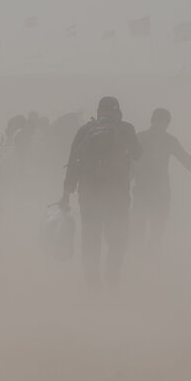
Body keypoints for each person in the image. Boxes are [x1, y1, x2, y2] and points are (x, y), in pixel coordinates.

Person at [59, 96, 141, 292]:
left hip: (89, 194)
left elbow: (73, 162)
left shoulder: (85, 130)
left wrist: (65, 195)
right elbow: (138, 154)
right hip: (118, 195)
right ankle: (112, 277)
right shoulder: (126, 128)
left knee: (90, 239)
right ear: (117, 111)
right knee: (117, 239)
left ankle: (93, 284)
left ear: (98, 112)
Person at [131, 108, 191, 248]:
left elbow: (185, 159)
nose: (158, 124)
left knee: (155, 231)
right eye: (156, 121)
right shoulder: (141, 138)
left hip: (157, 193)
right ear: (152, 121)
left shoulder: (163, 140)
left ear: (166, 124)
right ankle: (141, 261)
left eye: (161, 122)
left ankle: (148, 261)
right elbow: (130, 163)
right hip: (145, 192)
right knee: (140, 231)